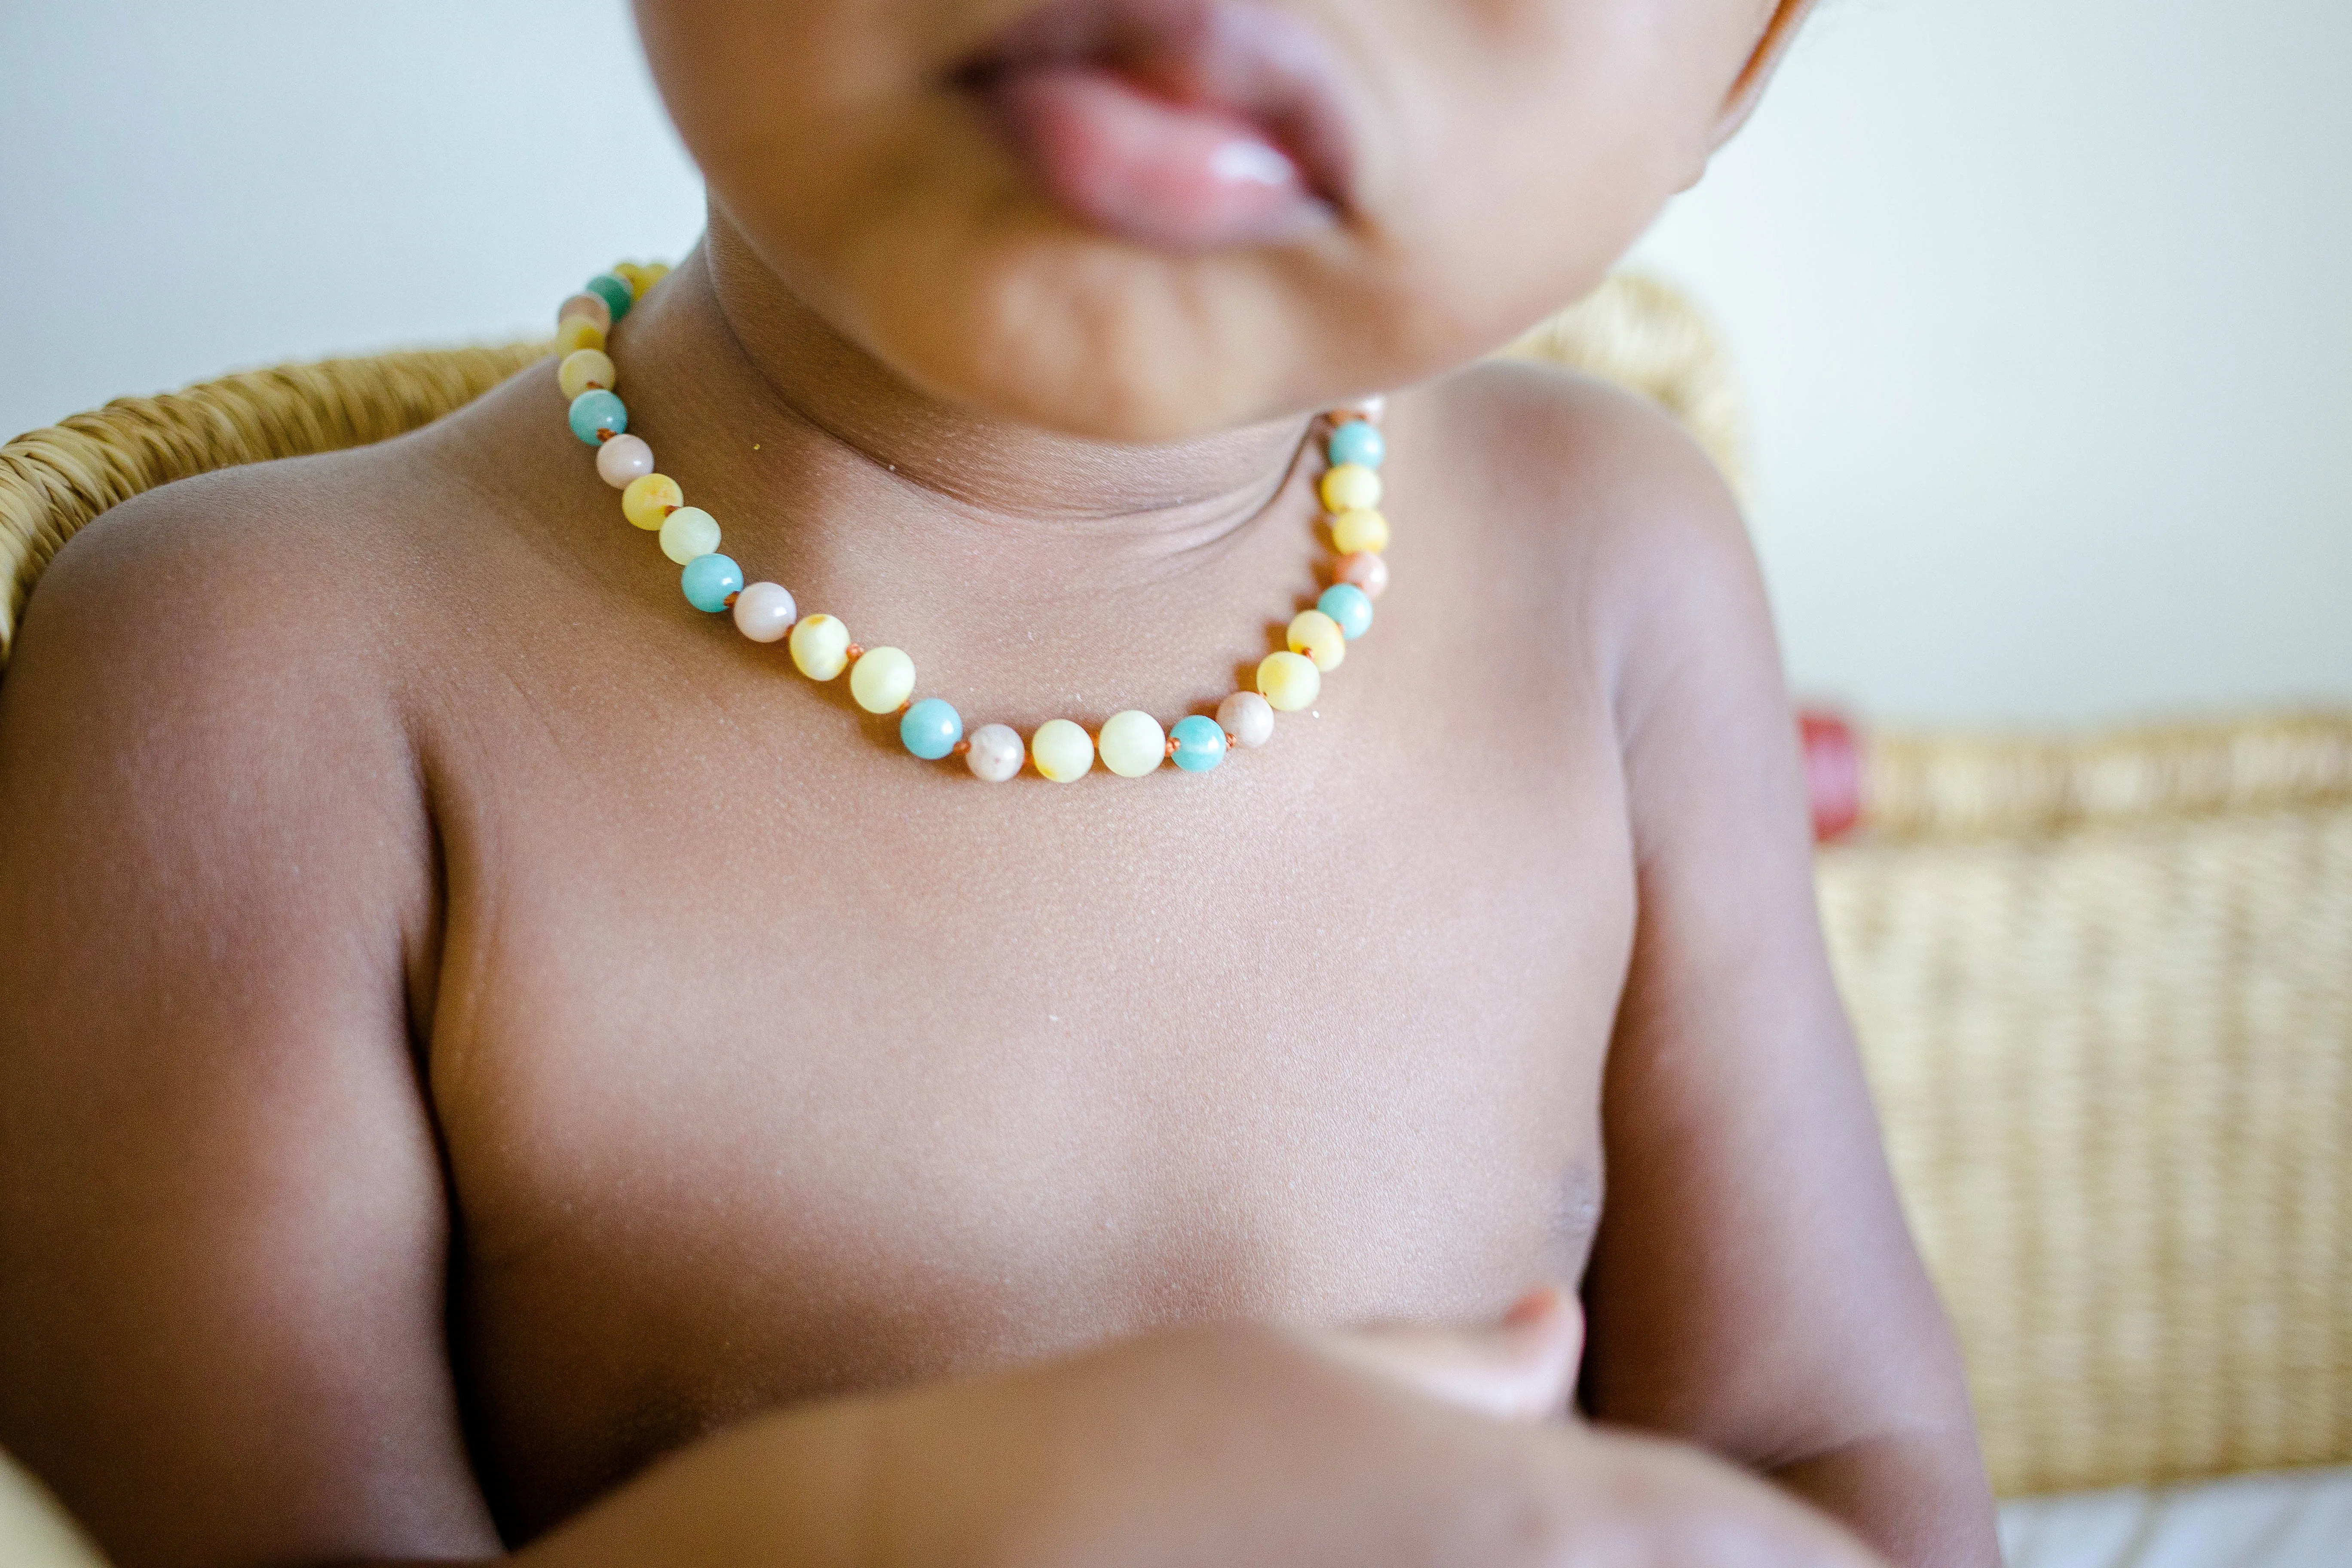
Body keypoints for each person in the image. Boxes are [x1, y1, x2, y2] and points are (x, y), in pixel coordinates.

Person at [0, 0, 2001, 1564]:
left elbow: (1837, 1454)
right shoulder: (259, 675)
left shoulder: (1616, 570)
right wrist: (940, 1530)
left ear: (1735, 58)